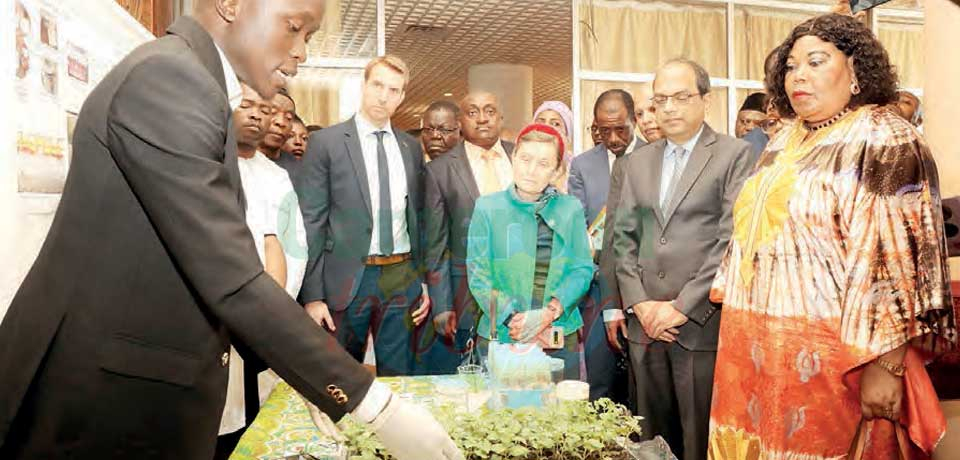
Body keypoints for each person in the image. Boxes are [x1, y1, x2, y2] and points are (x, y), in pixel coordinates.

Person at [0, 1, 461, 459]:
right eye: (295, 27)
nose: (301, 52)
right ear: (231, 4)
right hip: (96, 405)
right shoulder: (169, 79)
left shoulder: (190, 81)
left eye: (309, 37)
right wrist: (375, 405)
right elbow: (230, 275)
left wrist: (304, 375)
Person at [708, 14, 956, 459]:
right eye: (791, 65)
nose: (798, 74)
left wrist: (888, 364)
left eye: (816, 61)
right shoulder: (784, 138)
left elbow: (897, 258)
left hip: (836, 358)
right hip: (755, 345)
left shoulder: (884, 137)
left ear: (856, 71)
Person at [611, 58, 752, 460]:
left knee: (698, 441)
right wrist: (639, 302)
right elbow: (623, 238)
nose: (669, 107)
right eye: (660, 100)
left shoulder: (733, 155)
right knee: (649, 443)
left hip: (698, 325)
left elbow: (731, 240)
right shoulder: (636, 161)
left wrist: (680, 308)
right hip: (645, 328)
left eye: (681, 97)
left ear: (705, 100)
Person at [298, 55, 430, 377]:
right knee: (339, 378)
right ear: (364, 85)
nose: (383, 95)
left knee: (399, 377)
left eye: (393, 90)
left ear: (401, 97)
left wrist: (423, 280)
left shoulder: (411, 147)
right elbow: (311, 222)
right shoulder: (325, 143)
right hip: (344, 281)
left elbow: (419, 217)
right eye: (378, 85)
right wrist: (313, 296)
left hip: (401, 277)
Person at [467, 123, 595, 378]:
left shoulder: (570, 209)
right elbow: (478, 276)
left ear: (557, 170)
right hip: (502, 335)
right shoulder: (487, 208)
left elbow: (581, 269)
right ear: (513, 157)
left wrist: (549, 313)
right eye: (525, 158)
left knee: (559, 413)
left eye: (543, 163)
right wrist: (514, 320)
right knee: (501, 413)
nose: (531, 170)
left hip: (556, 333)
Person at [422, 92, 515, 374]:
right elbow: (436, 243)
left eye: (489, 110)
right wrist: (441, 303)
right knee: (470, 380)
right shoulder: (440, 170)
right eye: (473, 112)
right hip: (466, 295)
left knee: (519, 378)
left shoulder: (521, 156)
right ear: (461, 122)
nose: (482, 118)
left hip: (521, 290)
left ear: (500, 117)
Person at [568, 89, 643, 403]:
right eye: (603, 130)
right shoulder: (583, 165)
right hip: (599, 287)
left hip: (644, 287)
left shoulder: (655, 156)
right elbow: (577, 225)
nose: (612, 138)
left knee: (641, 383)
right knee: (599, 381)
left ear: (635, 120)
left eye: (620, 129)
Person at [533, 100, 575, 193]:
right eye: (541, 122)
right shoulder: (524, 162)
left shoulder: (578, 169)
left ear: (567, 135)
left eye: (556, 124)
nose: (547, 127)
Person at [260, 91, 296, 161]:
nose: (281, 122)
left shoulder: (301, 168)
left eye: (288, 118)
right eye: (272, 112)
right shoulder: (234, 161)